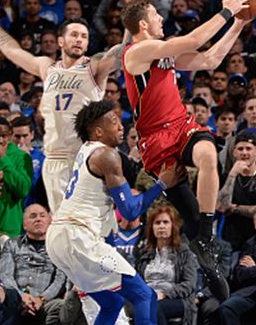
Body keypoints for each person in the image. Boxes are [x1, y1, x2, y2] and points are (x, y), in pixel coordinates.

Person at [0, 0, 151, 217]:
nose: (79, 40)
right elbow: (13, 50)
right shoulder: (47, 67)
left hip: (86, 155)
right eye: (74, 34)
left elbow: (122, 53)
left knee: (90, 224)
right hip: (53, 157)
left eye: (84, 37)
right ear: (60, 40)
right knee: (62, 226)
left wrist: (131, 11)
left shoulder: (94, 66)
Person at [120, 0, 251, 295]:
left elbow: (210, 58)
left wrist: (239, 23)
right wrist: (227, 10)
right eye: (155, 14)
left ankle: (206, 235)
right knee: (189, 217)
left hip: (181, 125)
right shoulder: (137, 52)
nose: (161, 17)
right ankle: (205, 251)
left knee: (207, 154)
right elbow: (194, 40)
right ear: (142, 25)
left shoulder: (162, 52)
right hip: (155, 139)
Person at [46, 100, 183, 325]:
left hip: (60, 238)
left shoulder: (85, 151)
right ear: (98, 130)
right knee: (145, 296)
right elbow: (130, 211)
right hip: (77, 236)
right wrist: (161, 184)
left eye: (120, 120)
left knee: (112, 303)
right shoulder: (107, 155)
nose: (121, 127)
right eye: (114, 122)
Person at [0, 204, 68, 324]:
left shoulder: (59, 247)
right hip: (16, 298)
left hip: (45, 302)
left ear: (50, 221)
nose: (38, 219)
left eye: (42, 216)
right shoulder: (12, 244)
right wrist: (21, 296)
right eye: (33, 216)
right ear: (24, 224)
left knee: (61, 306)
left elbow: (60, 279)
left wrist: (41, 299)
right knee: (5, 302)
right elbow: (6, 276)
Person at [217, 130, 256, 252]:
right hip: (231, 243)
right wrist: (232, 175)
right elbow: (221, 207)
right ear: (234, 152)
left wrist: (235, 208)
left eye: (249, 149)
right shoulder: (226, 177)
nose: (244, 153)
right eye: (240, 149)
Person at [135, 205, 198, 325]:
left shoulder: (184, 252)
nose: (161, 226)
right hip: (148, 297)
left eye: (165, 222)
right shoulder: (144, 253)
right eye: (157, 223)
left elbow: (189, 284)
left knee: (154, 308)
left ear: (173, 226)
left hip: (176, 299)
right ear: (152, 228)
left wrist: (164, 294)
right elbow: (138, 280)